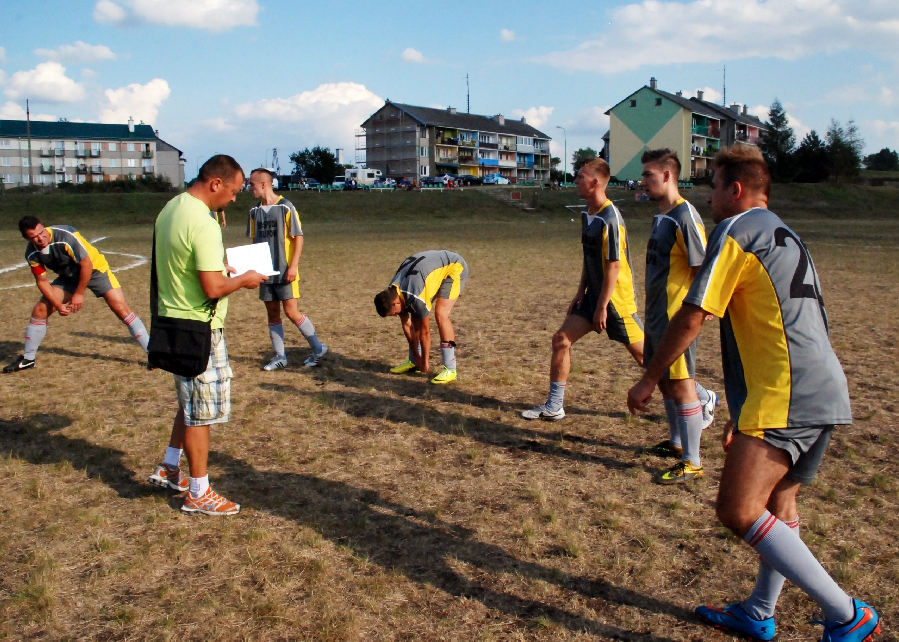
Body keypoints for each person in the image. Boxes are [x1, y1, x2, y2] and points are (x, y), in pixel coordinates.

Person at [627, 146, 880, 642]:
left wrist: (649, 377)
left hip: (787, 392)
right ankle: (759, 612)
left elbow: (694, 315)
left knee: (738, 510)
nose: (709, 196)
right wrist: (742, 410)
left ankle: (846, 614)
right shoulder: (786, 234)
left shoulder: (736, 230)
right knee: (781, 505)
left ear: (736, 189)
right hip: (821, 387)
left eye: (714, 186)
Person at [147, 155, 268, 516]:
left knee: (189, 400)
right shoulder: (204, 222)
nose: (234, 198)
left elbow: (183, 264)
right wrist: (243, 279)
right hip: (199, 328)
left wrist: (220, 268)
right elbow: (213, 288)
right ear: (216, 184)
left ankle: (170, 466)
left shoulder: (172, 208)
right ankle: (199, 492)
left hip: (172, 320)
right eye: (233, 191)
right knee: (201, 413)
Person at [521, 158, 644, 421]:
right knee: (561, 340)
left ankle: (699, 397)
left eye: (580, 176)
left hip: (616, 301)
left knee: (648, 359)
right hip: (593, 297)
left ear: (595, 182)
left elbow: (613, 266)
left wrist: (602, 306)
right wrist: (581, 292)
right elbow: (590, 258)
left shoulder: (611, 218)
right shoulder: (587, 214)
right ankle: (554, 406)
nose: (575, 180)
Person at [638, 149, 718, 484]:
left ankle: (692, 461)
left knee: (682, 384)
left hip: (675, 316)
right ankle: (677, 442)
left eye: (648, 175)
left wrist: (702, 307)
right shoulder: (662, 215)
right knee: (666, 382)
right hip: (657, 313)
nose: (642, 181)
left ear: (668, 175)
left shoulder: (685, 216)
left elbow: (704, 266)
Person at [4, 216, 150, 373]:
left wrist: (79, 294)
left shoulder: (65, 237)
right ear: (26, 238)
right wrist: (58, 305)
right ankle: (28, 359)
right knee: (41, 309)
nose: (40, 238)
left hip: (95, 270)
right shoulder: (32, 253)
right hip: (69, 277)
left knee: (122, 310)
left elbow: (86, 264)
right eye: (34, 237)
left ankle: (154, 355)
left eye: (41, 232)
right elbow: (42, 281)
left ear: (43, 227)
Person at [247, 168, 328, 371]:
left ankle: (318, 348)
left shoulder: (286, 207)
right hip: (265, 273)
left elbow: (298, 237)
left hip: (285, 272)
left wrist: (293, 266)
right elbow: (255, 241)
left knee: (291, 312)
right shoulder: (254, 211)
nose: (249, 188)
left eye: (252, 184)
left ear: (263, 184)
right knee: (272, 314)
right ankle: (280, 356)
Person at [374, 250, 468, 385]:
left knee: (441, 314)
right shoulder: (392, 290)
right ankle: (413, 361)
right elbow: (407, 325)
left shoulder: (416, 297)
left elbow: (425, 333)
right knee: (414, 314)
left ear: (395, 303)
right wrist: (416, 356)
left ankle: (450, 369)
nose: (396, 315)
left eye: (394, 313)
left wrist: (424, 362)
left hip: (453, 266)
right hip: (424, 274)